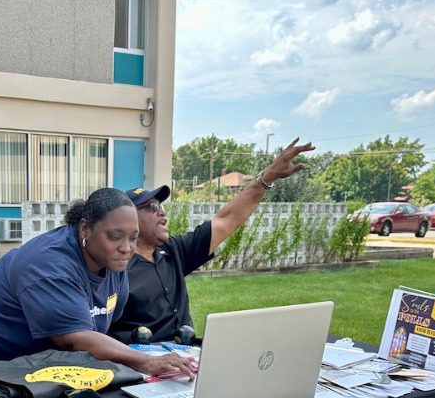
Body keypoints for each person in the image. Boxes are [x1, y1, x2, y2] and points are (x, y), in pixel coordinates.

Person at [0, 187, 196, 379]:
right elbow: (74, 340)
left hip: (45, 338)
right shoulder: (49, 265)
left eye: (133, 238)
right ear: (85, 229)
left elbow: (103, 325)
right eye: (115, 236)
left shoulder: (112, 259)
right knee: (20, 393)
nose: (126, 248)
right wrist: (144, 360)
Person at [109, 138, 315, 343]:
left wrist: (268, 176)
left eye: (162, 207)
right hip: (143, 365)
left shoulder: (174, 250)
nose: (162, 214)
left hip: (186, 357)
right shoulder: (114, 269)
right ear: (129, 219)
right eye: (153, 208)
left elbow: (227, 219)